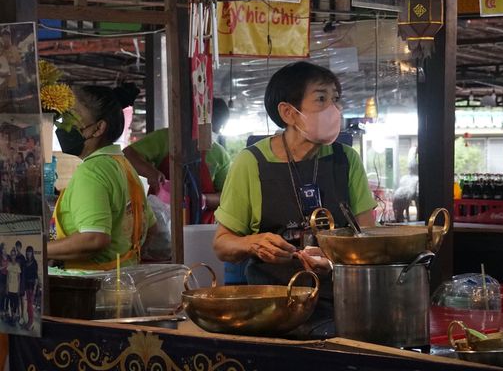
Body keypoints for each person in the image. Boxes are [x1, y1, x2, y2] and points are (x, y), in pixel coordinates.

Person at [213, 61, 376, 324]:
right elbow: (222, 244)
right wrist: (252, 243)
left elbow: (368, 238)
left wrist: (336, 260)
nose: (333, 109)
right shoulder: (251, 162)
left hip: (342, 305)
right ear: (288, 112)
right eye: (321, 99)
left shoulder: (346, 160)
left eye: (335, 99)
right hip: (271, 308)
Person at [47, 83, 156, 270]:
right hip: (121, 283)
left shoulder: (92, 172)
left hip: (90, 290)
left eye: (72, 116)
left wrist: (38, 249)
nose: (64, 124)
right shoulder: (123, 165)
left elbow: (94, 239)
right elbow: (151, 228)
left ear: (98, 128)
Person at [123, 97, 231, 223]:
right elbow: (128, 155)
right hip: (161, 219)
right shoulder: (166, 138)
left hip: (201, 225)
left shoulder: (220, 154)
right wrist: (151, 173)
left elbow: (225, 197)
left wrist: (203, 200)